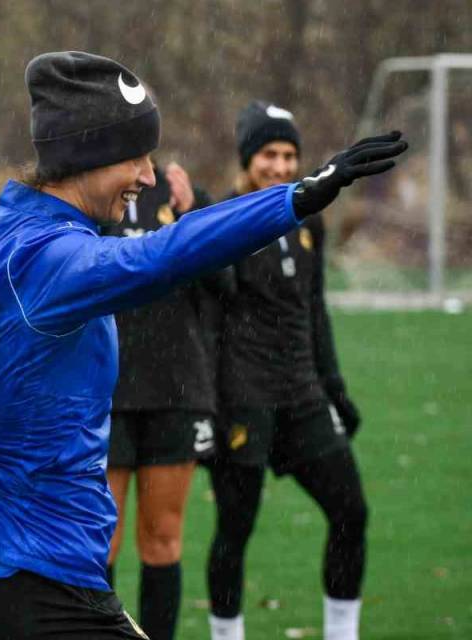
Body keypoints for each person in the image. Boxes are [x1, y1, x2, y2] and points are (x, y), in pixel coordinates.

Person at [0, 51, 406, 639]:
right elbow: (163, 256)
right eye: (135, 158)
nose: (147, 177)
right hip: (41, 589)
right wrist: (294, 198)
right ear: (86, 157)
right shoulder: (53, 259)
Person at [205, 101, 369, 640]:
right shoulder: (222, 219)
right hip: (243, 398)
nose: (280, 166)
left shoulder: (308, 220)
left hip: (301, 394)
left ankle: (341, 633)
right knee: (235, 529)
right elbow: (209, 317)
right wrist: (207, 406)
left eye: (289, 155)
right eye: (269, 154)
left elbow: (314, 310)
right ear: (247, 159)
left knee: (351, 511)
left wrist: (334, 387)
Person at [102, 161, 229, 640]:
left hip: (175, 392)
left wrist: (194, 215)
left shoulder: (181, 194)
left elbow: (225, 286)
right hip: (105, 394)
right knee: (100, 545)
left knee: (162, 539)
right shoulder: (89, 195)